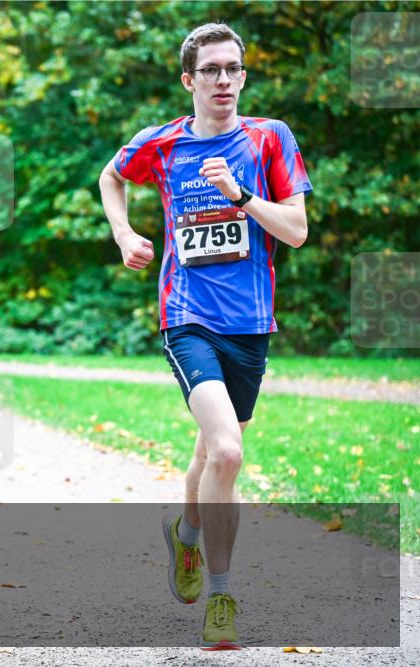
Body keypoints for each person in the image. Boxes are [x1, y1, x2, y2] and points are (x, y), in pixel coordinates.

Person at [98, 23, 311, 650]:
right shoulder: (161, 145)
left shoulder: (269, 138)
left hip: (251, 325)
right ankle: (222, 598)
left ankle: (185, 538)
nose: (224, 80)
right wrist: (123, 233)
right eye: (212, 70)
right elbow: (111, 178)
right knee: (227, 453)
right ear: (189, 80)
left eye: (234, 69)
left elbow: (295, 229)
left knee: (209, 452)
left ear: (243, 76)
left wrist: (241, 195)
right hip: (186, 318)